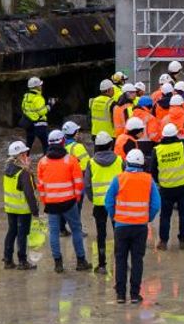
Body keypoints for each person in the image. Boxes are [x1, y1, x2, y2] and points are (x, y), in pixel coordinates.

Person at [105, 149, 161, 303]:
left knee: (120, 259)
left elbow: (108, 201)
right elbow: (156, 204)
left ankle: (121, 295)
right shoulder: (148, 180)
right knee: (137, 260)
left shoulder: (119, 179)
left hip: (121, 226)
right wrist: (147, 218)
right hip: (140, 227)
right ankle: (135, 294)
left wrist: (115, 217)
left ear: (127, 163)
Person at [37, 129, 90, 273]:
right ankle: (81, 261)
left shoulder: (42, 162)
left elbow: (40, 186)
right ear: (63, 142)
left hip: (51, 204)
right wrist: (76, 199)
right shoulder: (71, 160)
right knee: (76, 230)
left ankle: (58, 263)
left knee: (54, 233)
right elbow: (79, 183)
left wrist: (45, 201)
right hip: (69, 202)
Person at [83, 131, 122, 274]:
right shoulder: (119, 160)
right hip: (116, 204)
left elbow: (87, 184)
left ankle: (101, 264)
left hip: (99, 204)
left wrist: (93, 198)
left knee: (101, 234)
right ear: (111, 145)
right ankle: (121, 262)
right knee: (119, 232)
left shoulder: (91, 163)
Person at [153, 123, 184, 251]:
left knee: (165, 215)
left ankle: (163, 241)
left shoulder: (157, 150)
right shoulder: (183, 147)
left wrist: (160, 181)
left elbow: (153, 170)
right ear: (176, 135)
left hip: (166, 188)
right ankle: (183, 241)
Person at [3, 141, 39, 270]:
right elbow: (30, 193)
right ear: (19, 156)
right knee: (22, 235)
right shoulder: (23, 173)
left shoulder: (7, 169)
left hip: (10, 208)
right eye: (24, 154)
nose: (26, 156)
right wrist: (35, 210)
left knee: (11, 232)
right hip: (23, 210)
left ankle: (7, 260)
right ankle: (22, 262)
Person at [21, 76, 54, 155]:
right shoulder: (38, 98)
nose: (41, 86)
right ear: (36, 87)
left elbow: (23, 109)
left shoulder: (26, 97)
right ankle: (48, 162)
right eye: (40, 85)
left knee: (28, 145)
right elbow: (42, 112)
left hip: (29, 124)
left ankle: (23, 162)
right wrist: (50, 105)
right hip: (39, 125)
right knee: (46, 144)